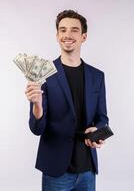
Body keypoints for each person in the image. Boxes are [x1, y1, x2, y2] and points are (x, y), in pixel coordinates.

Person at [25, 10, 109, 191]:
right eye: (62, 30)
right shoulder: (43, 73)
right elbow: (36, 128)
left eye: (73, 30)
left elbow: (102, 118)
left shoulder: (97, 76)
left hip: (87, 168)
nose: (67, 35)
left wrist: (98, 131)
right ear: (57, 36)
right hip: (56, 170)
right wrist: (37, 104)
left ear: (83, 36)